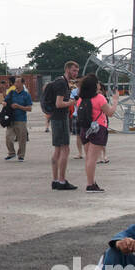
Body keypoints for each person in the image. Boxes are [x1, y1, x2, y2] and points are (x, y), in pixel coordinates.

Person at [41, 61, 79, 190]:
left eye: (77, 71)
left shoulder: (58, 81)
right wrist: (72, 102)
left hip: (55, 118)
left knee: (57, 149)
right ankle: (62, 181)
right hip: (60, 118)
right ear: (67, 70)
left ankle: (55, 180)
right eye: (74, 71)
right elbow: (59, 103)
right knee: (65, 149)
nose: (76, 73)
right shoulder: (62, 83)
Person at [76, 74, 116, 192]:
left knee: (89, 158)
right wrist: (115, 101)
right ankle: (90, 184)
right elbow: (110, 113)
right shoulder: (99, 98)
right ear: (94, 86)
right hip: (98, 129)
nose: (99, 84)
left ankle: (92, 182)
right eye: (97, 83)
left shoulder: (80, 99)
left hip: (85, 130)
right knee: (92, 159)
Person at [3, 76, 32, 161]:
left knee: (21, 139)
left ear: (23, 83)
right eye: (15, 82)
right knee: (8, 137)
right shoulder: (11, 93)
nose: (16, 84)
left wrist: (19, 106)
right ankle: (11, 153)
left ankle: (21, 155)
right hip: (11, 118)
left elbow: (29, 108)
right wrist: (4, 103)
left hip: (21, 120)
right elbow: (5, 100)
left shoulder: (26, 95)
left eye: (18, 82)